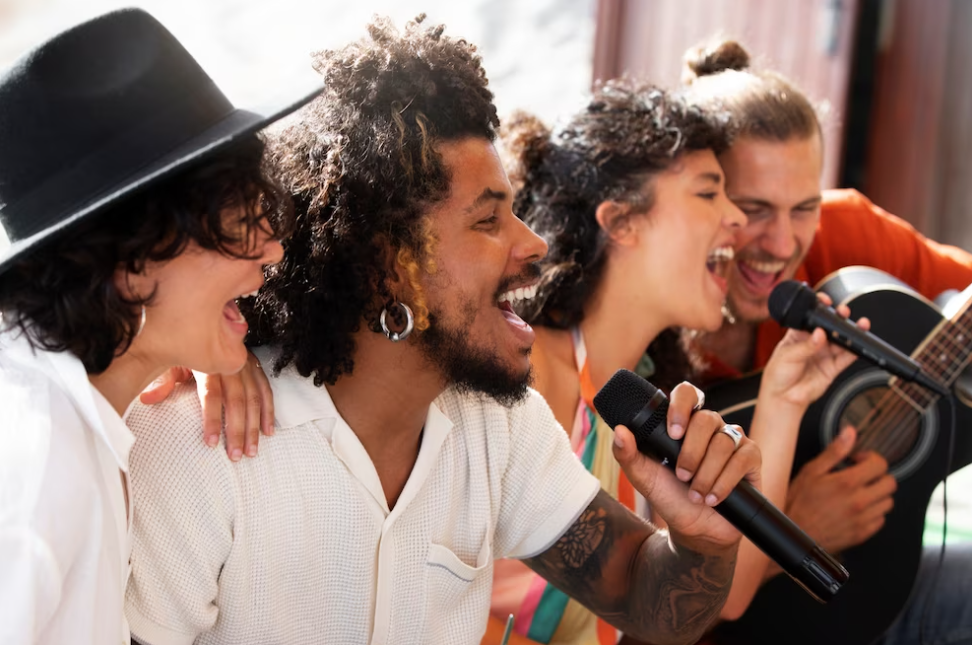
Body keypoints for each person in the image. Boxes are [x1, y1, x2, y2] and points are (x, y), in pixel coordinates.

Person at [123, 17, 761, 645]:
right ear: (385, 266)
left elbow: (650, 601)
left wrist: (700, 540)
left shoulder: (497, 426)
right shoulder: (198, 443)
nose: (532, 244)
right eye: (488, 222)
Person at [479, 83, 860, 645]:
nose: (736, 218)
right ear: (622, 222)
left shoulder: (645, 405)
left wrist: (784, 397)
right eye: (711, 194)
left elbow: (724, 597)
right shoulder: (531, 383)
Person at [0, 9, 317, 645]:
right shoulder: (36, 460)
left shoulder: (74, 418)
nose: (273, 249)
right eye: (241, 218)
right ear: (132, 259)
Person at [681, 38, 972, 643]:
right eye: (755, 207)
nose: (784, 244)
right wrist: (794, 527)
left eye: (804, 207)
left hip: (885, 581)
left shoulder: (847, 233)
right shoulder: (655, 338)